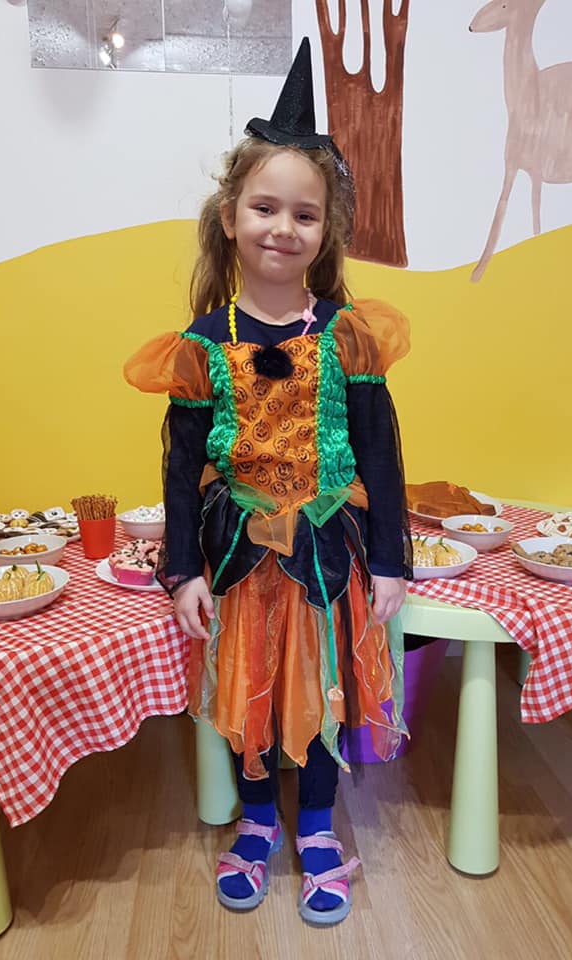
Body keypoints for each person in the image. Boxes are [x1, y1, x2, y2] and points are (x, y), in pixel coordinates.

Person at [124, 37, 412, 927]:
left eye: (305, 214)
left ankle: (316, 825)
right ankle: (256, 823)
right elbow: (181, 466)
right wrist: (181, 568)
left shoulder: (348, 336)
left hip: (328, 550)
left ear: (327, 232)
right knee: (246, 688)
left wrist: (392, 560)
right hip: (240, 557)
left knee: (323, 688)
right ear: (230, 215)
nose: (284, 228)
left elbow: (381, 451)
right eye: (265, 207)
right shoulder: (202, 345)